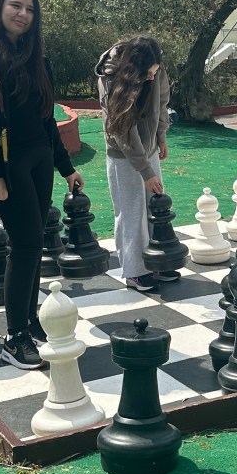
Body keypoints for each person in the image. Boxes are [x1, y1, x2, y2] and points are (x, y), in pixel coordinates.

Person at [0, 0, 81, 370]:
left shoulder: (36, 57)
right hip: (6, 165)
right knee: (25, 244)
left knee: (34, 242)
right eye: (16, 5)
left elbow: (47, 118)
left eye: (30, 9)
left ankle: (29, 320)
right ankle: (14, 337)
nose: (23, 14)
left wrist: (65, 167)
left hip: (38, 159)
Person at [96, 34, 173, 292]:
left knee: (153, 206)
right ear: (134, 69)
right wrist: (145, 170)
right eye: (148, 73)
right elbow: (123, 131)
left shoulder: (155, 68)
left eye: (155, 72)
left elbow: (162, 102)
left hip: (148, 146)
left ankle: (155, 260)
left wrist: (161, 135)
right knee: (131, 211)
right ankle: (134, 271)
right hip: (123, 154)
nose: (152, 77)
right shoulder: (110, 78)